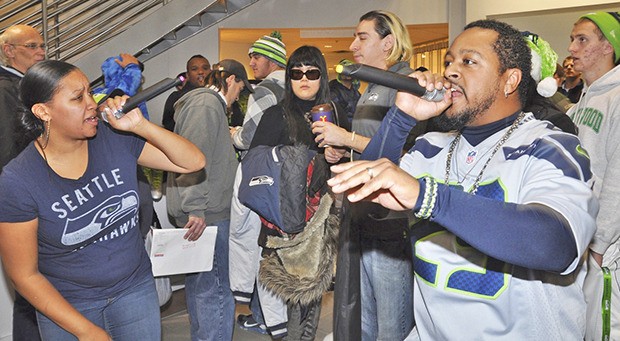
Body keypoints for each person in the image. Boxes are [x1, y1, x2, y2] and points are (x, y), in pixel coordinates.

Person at [327, 19, 597, 339]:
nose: (451, 72)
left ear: (509, 80)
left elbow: (556, 243)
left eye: (468, 61)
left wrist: (429, 197)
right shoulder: (430, 147)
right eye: (448, 62)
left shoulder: (549, 146)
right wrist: (402, 117)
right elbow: (360, 198)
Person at [0, 60, 205, 340]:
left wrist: (140, 126)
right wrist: (85, 331)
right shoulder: (18, 180)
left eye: (89, 93)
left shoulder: (114, 138)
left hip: (135, 291)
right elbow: (24, 275)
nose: (92, 104)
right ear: (43, 111)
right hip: (68, 306)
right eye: (77, 98)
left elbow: (192, 162)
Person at [312, 10, 418, 341]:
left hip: (391, 224)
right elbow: (376, 147)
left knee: (391, 328)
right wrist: (345, 151)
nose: (352, 44)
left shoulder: (405, 85)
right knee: (367, 322)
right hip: (364, 217)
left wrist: (347, 139)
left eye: (362, 37)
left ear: (388, 43)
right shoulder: (374, 86)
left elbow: (408, 153)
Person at [248, 45, 349, 341]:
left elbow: (351, 160)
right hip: (284, 218)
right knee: (294, 295)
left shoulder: (335, 113)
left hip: (325, 216)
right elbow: (256, 166)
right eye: (296, 73)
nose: (304, 79)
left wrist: (340, 152)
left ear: (322, 76)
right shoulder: (275, 116)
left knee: (313, 292)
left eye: (312, 72)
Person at [166, 59, 251, 341]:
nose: (238, 96)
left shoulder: (204, 106)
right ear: (230, 81)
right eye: (240, 88)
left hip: (206, 211)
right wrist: (195, 209)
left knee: (203, 286)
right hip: (208, 215)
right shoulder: (205, 105)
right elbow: (193, 158)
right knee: (215, 288)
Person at [228, 31, 290, 338]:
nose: (251, 62)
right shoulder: (295, 88)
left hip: (259, 175)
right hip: (287, 177)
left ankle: (265, 315)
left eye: (257, 57)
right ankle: (278, 320)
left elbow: (249, 137)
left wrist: (234, 135)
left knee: (252, 240)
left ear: (273, 60)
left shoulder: (265, 89)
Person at [565, 11, 620, 341]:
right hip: (582, 238)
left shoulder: (617, 97)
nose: (572, 47)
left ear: (608, 47)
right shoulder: (581, 102)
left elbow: (617, 175)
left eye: (582, 39)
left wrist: (599, 242)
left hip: (607, 247)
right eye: (572, 39)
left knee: (605, 328)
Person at [0, 24, 46, 341]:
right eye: (32, 46)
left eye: (43, 46)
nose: (41, 52)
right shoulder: (6, 90)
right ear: (9, 50)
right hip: (24, 202)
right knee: (33, 290)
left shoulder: (25, 87)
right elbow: (8, 151)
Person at [162, 54, 210, 131]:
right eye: (194, 69)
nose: (201, 72)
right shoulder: (176, 97)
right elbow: (167, 123)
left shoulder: (218, 95)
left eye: (205, 68)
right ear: (187, 75)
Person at [329, 59, 360, 123]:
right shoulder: (334, 92)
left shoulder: (356, 93)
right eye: (345, 70)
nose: (347, 73)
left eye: (350, 70)